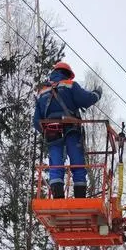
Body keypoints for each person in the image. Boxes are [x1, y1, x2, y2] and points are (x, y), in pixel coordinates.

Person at [32, 61, 101, 198]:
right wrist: (98, 93)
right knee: (77, 162)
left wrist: (46, 131)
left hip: (52, 130)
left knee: (56, 162)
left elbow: (36, 121)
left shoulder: (42, 92)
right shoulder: (70, 85)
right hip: (71, 128)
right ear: (68, 75)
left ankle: (58, 196)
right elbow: (87, 99)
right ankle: (80, 197)